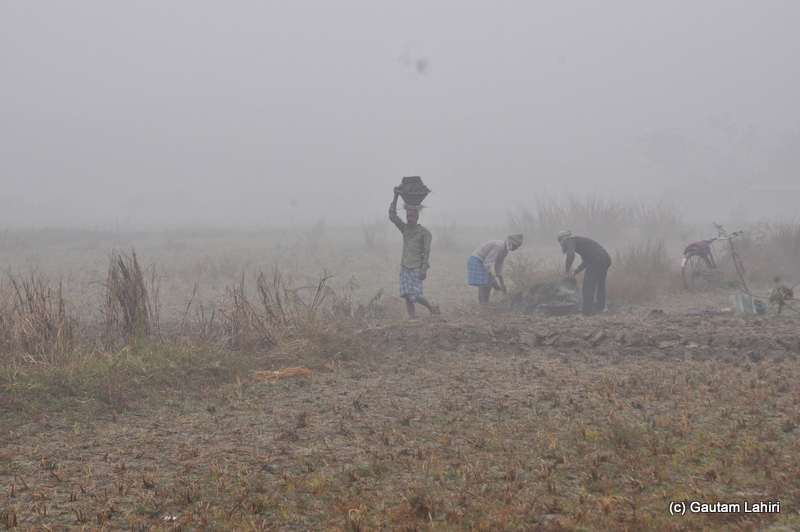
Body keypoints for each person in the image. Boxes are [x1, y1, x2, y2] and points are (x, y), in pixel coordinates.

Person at [389, 190, 439, 317]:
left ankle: (432, 308)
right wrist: (396, 196)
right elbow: (392, 216)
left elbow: (426, 251)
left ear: (417, 217)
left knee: (415, 295)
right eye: (408, 217)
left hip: (416, 268)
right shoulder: (405, 229)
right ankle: (412, 317)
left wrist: (424, 268)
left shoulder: (424, 233)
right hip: (405, 266)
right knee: (406, 294)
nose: (409, 219)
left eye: (412, 217)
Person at [557, 230, 612, 316]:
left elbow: (571, 255)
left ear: (563, 239)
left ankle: (587, 312)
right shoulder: (583, 244)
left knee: (588, 285)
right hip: (606, 259)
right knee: (600, 284)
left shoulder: (570, 241)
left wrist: (567, 270)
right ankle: (601, 309)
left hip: (596, 259)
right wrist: (575, 272)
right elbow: (586, 261)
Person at [467, 234, 523, 303]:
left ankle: (485, 304)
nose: (516, 249)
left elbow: (498, 265)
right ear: (512, 243)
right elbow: (487, 263)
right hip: (476, 261)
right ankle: (483, 305)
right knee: (484, 284)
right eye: (516, 246)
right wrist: (492, 278)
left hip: (482, 262)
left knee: (488, 284)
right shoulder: (499, 246)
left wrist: (502, 282)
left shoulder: (505, 250)